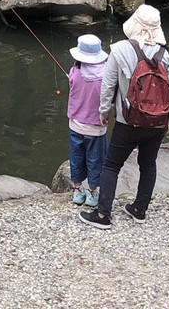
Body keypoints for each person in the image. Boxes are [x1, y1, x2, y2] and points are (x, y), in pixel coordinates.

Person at [80, 5, 169, 229]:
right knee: (148, 164)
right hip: (157, 122)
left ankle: (103, 215)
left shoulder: (120, 50)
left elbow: (108, 87)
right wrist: (167, 119)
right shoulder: (165, 54)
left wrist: (104, 114)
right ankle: (139, 210)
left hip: (128, 121)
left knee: (112, 165)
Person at [67, 35, 109, 208]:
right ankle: (92, 192)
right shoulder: (107, 74)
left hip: (75, 125)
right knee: (95, 160)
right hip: (96, 128)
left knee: (76, 157)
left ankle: (78, 191)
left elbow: (72, 84)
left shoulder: (75, 72)